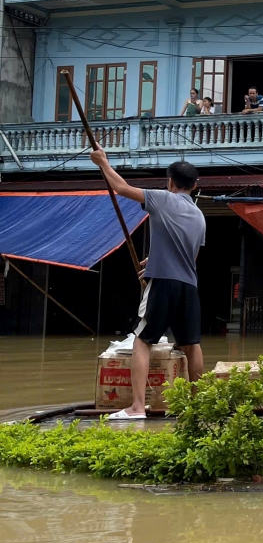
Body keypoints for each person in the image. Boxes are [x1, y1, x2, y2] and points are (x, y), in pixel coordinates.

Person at [90, 146, 207, 420]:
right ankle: (199, 405)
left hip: (164, 283)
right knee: (191, 345)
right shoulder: (200, 216)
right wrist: (154, 259)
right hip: (189, 285)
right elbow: (192, 255)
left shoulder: (162, 198)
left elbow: (121, 188)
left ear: (170, 182)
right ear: (195, 185)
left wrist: (103, 163)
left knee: (142, 341)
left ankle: (137, 407)